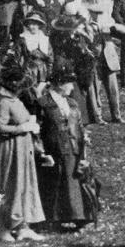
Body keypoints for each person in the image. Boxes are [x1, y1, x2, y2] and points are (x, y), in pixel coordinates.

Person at [0, 66, 47, 241]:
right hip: (11, 149)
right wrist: (22, 127)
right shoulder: (4, 102)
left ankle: (22, 225)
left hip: (23, 147)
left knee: (23, 184)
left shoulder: (15, 100)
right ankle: (2, 225)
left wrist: (31, 124)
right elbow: (0, 127)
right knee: (9, 184)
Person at [37, 67, 100, 230]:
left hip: (74, 148)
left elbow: (78, 123)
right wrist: (42, 151)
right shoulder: (44, 103)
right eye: (69, 84)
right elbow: (37, 129)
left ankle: (80, 218)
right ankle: (56, 218)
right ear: (59, 84)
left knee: (76, 182)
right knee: (58, 183)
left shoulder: (71, 102)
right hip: (55, 150)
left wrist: (84, 135)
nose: (72, 87)